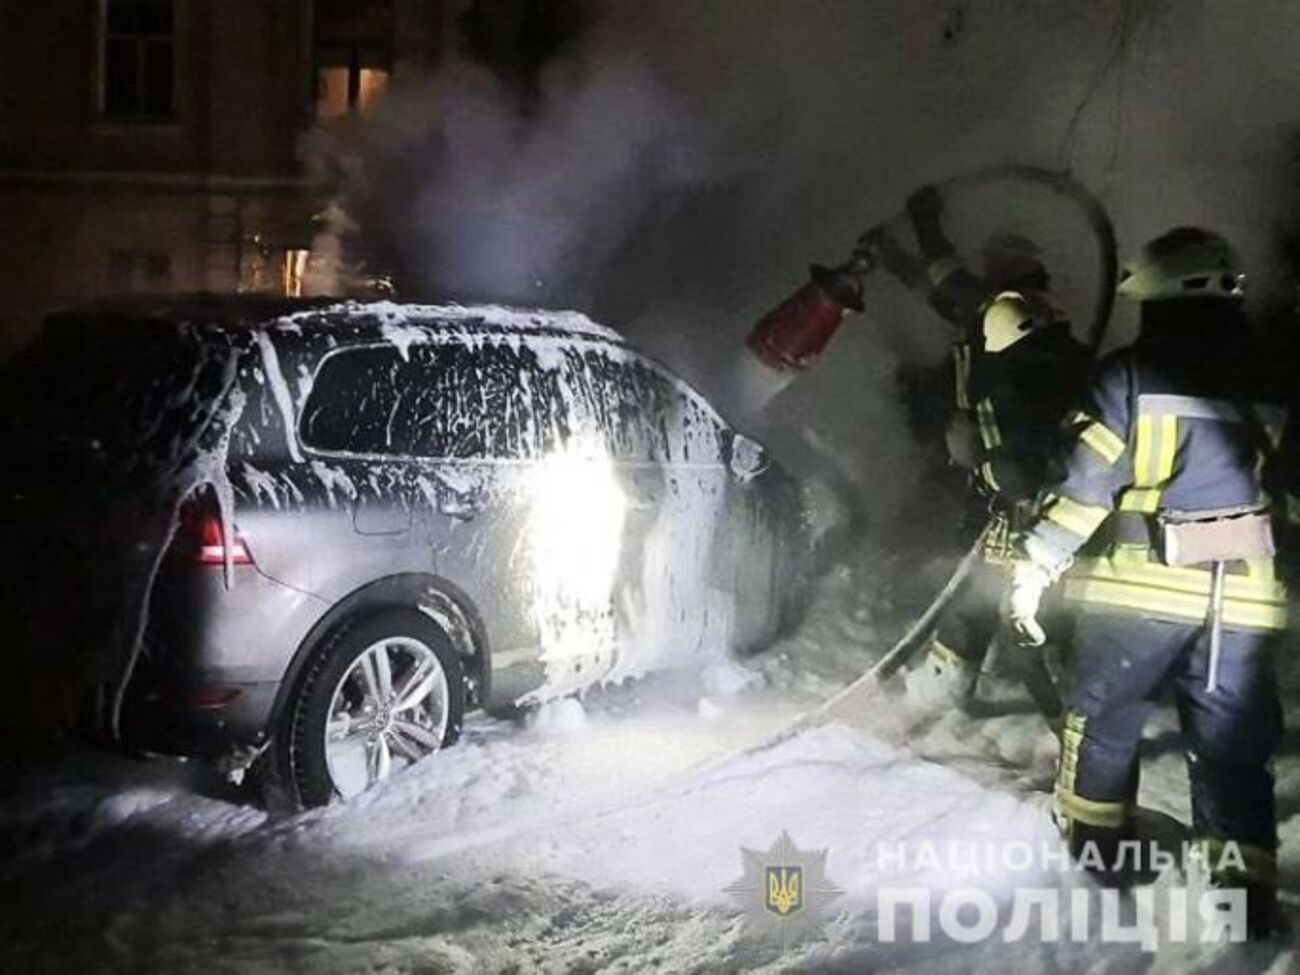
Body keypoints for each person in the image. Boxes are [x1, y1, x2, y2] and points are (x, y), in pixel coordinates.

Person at [1003, 227, 1297, 935]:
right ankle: (1243, 905)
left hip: (1139, 590)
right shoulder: (1277, 378)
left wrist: (1036, 562)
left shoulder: (1128, 374)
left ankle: (1095, 865)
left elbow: (1085, 487)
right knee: (1232, 748)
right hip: (1246, 600)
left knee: (1104, 722)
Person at [864, 185, 1089, 709]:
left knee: (988, 575)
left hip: (1017, 470)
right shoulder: (1020, 315)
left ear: (1011, 268)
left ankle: (957, 683)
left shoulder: (1010, 311)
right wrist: (894, 257)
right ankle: (1019, 674)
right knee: (993, 572)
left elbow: (949, 283)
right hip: (1009, 467)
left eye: (994, 263)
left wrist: (924, 222)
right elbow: (942, 292)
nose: (984, 269)